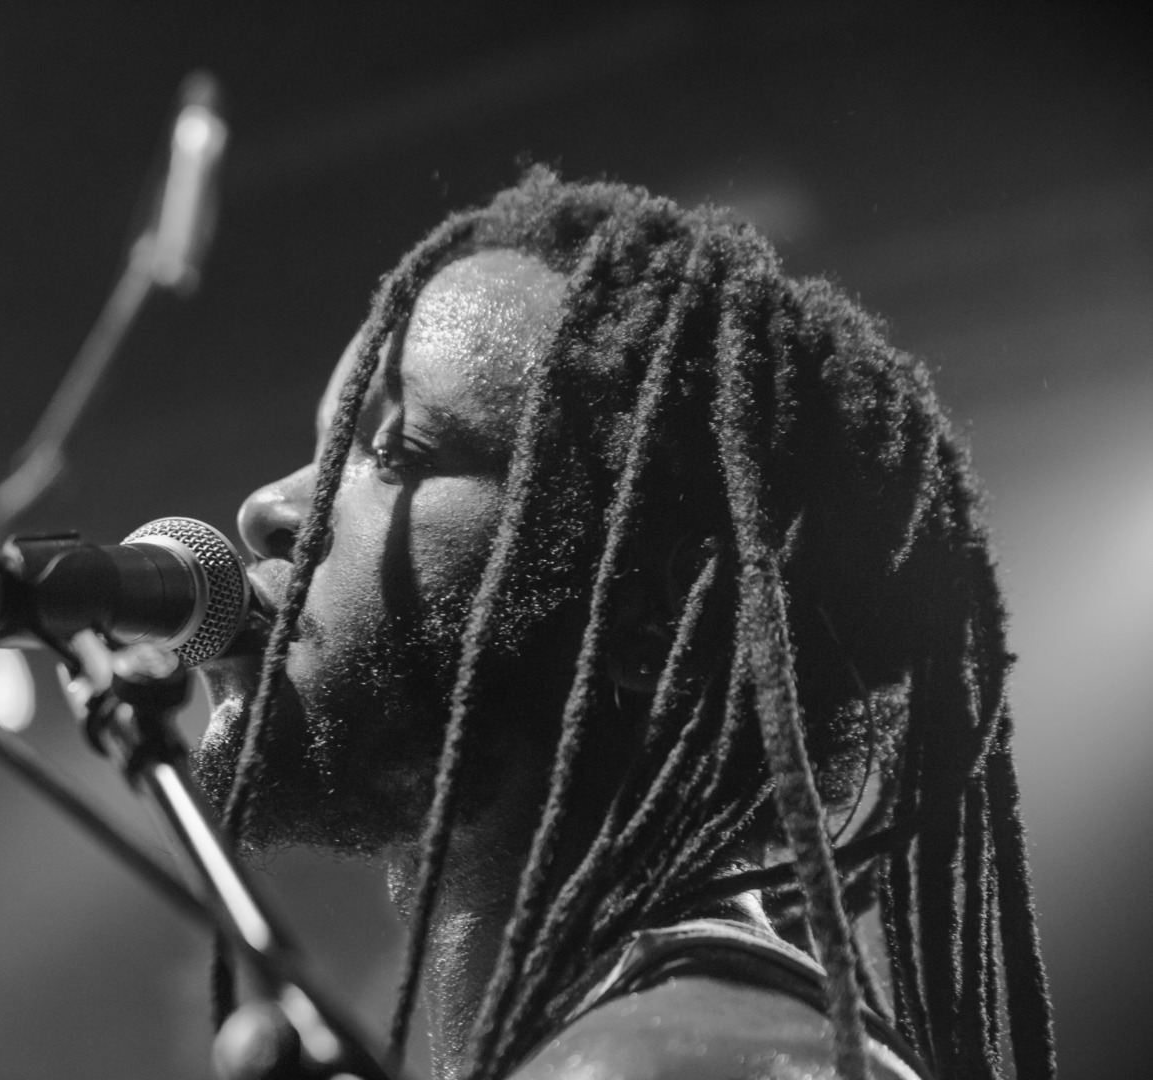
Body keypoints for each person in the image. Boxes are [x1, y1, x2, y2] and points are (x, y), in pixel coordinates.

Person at [190, 169, 1055, 1080]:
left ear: (653, 621)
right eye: (321, 448)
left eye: (395, 451)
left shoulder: (685, 1064)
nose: (269, 508)